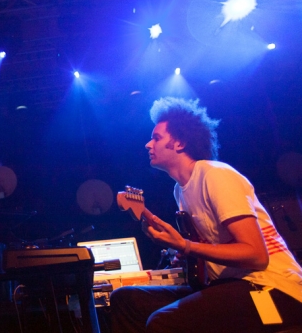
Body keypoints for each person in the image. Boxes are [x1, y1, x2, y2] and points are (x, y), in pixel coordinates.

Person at [110, 97, 302, 332]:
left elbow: (256, 255)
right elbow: (211, 248)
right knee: (125, 300)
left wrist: (187, 245)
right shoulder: (179, 190)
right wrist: (186, 252)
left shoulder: (215, 175)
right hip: (228, 284)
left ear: (179, 143)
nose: (148, 145)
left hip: (272, 287)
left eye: (156, 138)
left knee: (164, 321)